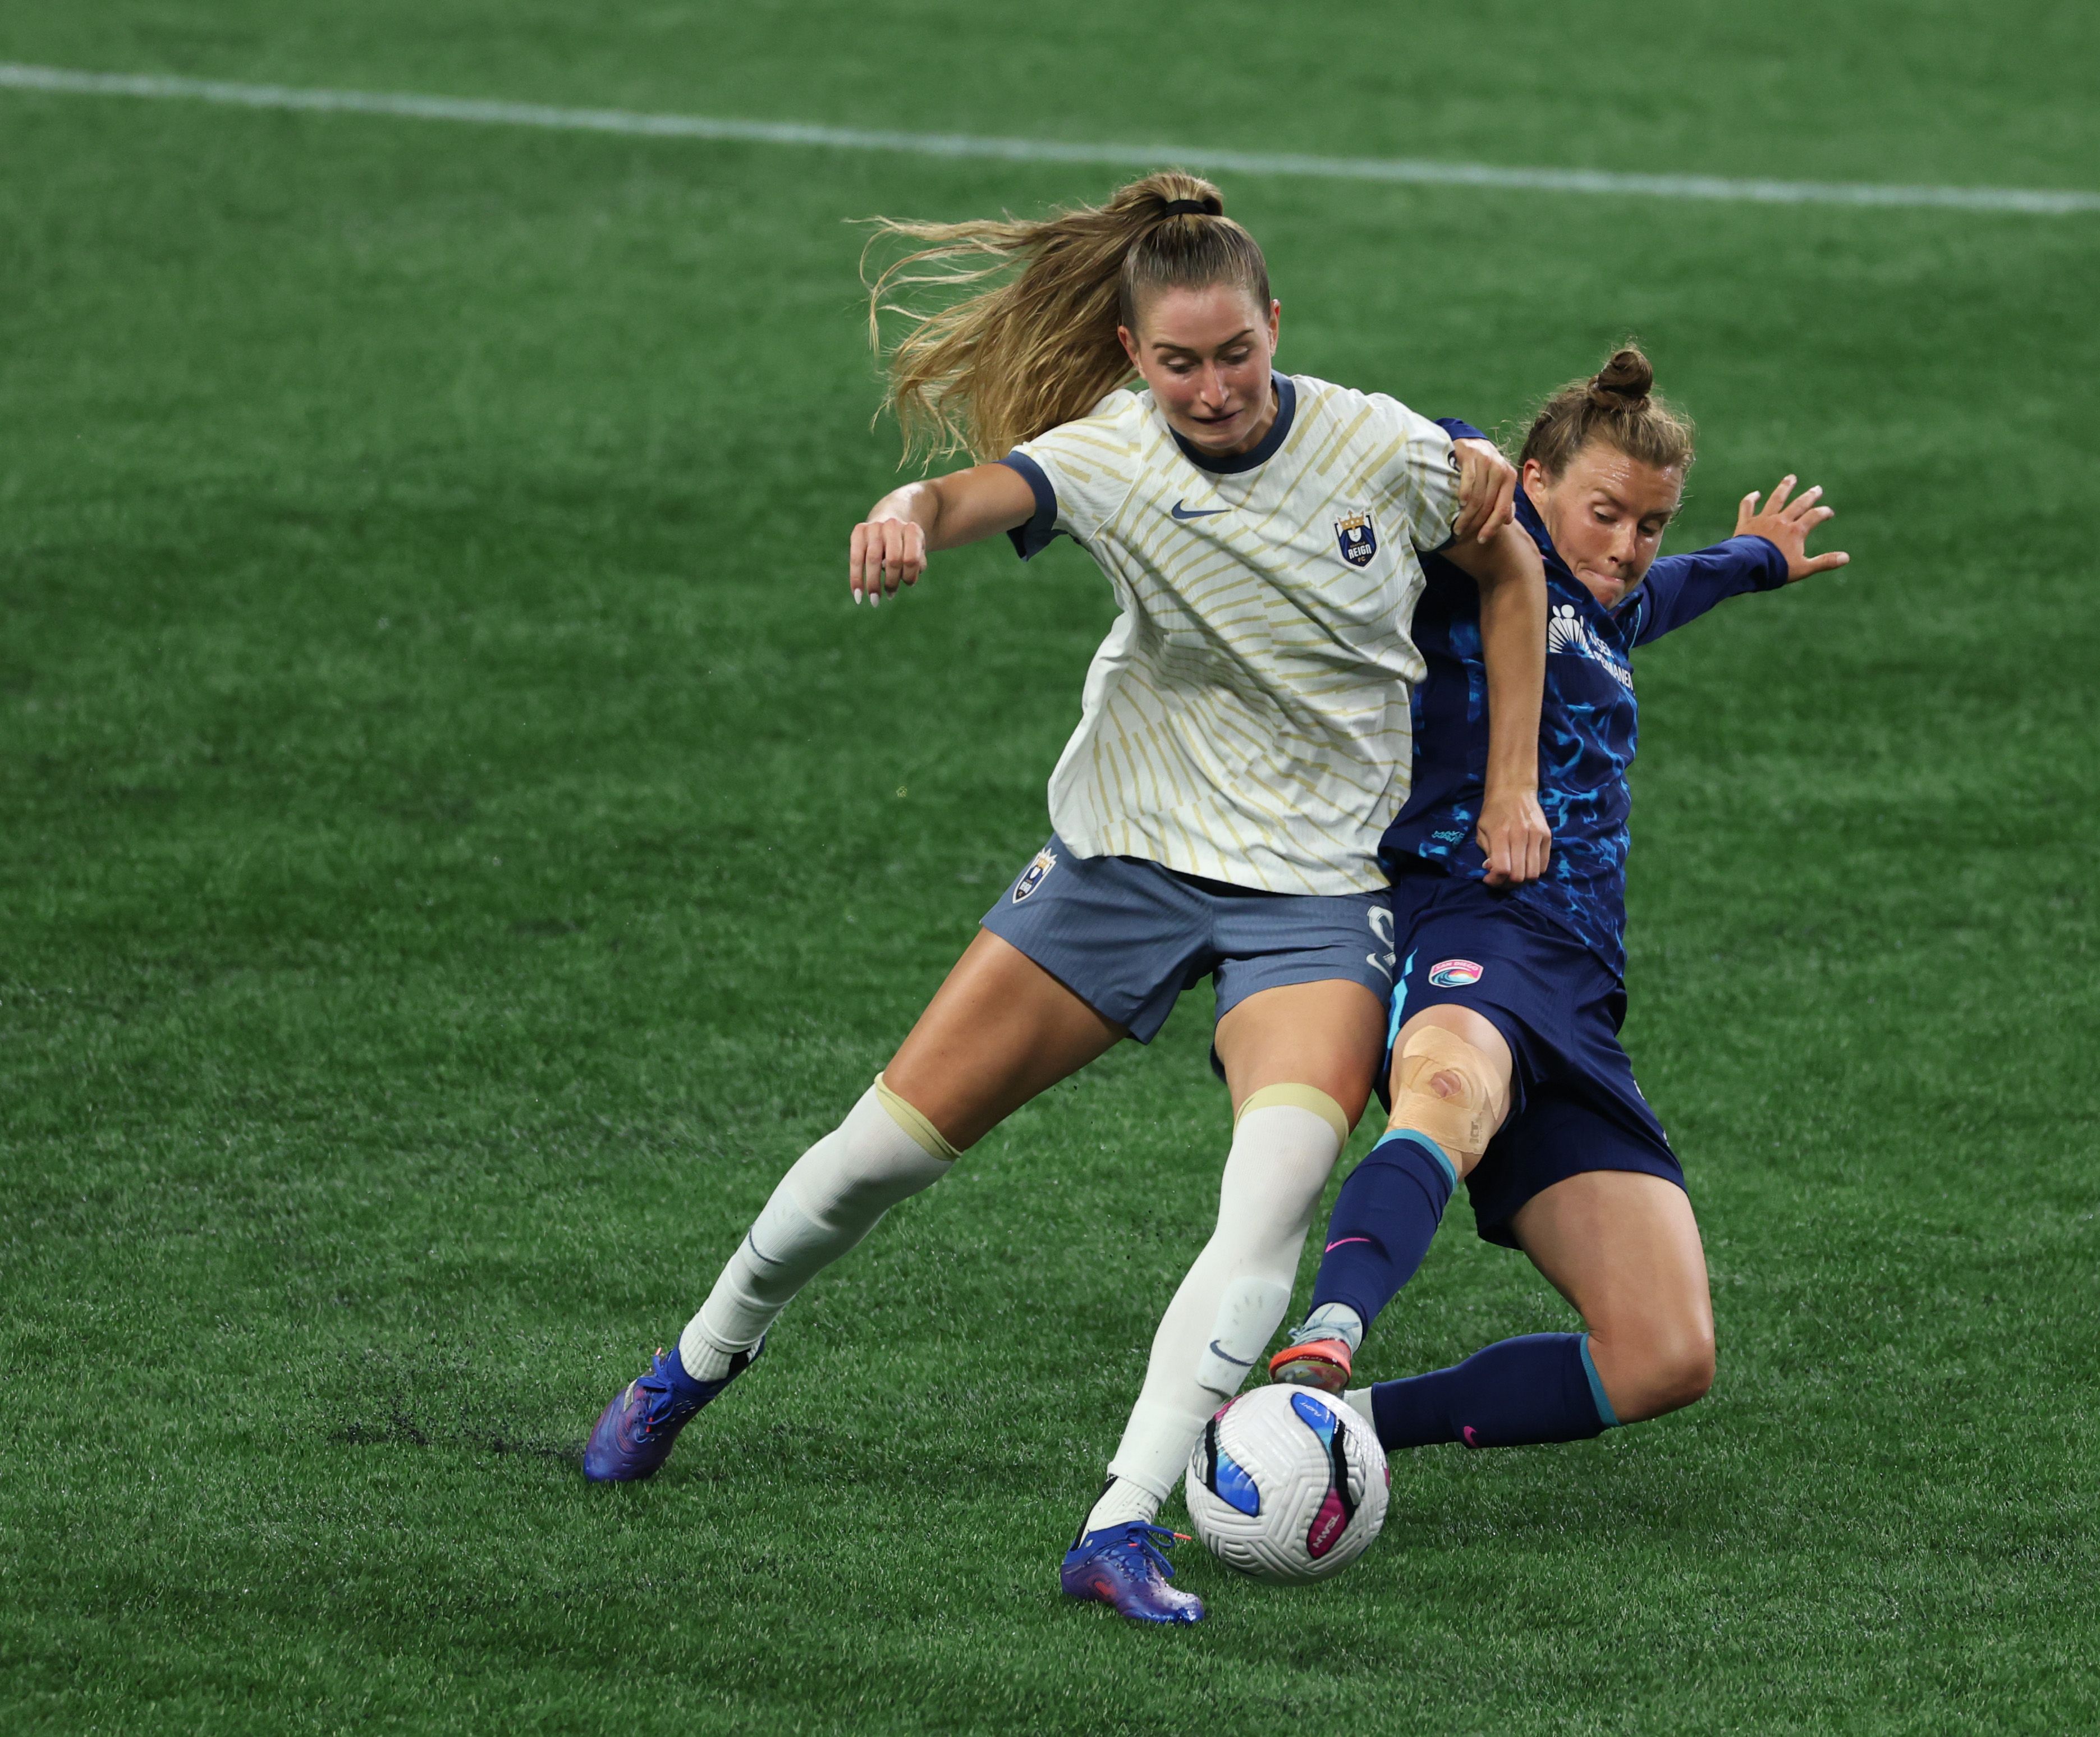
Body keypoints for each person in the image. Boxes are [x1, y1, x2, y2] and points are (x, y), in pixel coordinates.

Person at [578, 171, 1553, 1626]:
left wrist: (1509, 790)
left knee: (1273, 1197)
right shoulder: (1108, 455)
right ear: (1128, 353)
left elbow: (1510, 566)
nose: (1212, 389)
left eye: (1236, 354)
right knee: (870, 1161)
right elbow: (974, 495)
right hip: (1123, 861)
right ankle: (694, 1363)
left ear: (1275, 326)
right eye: (1179, 362)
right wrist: (905, 511)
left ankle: (1120, 1524)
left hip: (1312, 892)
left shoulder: (1381, 447)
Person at [1265, 347, 1846, 1466]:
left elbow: (1684, 581)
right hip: (1469, 919)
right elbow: (1392, 448)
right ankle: (1329, 1331)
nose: (1626, 547)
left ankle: (1339, 1430)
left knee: (1664, 1355)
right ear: (1533, 481)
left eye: (1650, 524)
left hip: (1580, 1001)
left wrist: (1757, 560)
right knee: (1444, 1085)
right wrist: (1459, 449)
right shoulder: (1485, 558)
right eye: (1604, 513)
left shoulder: (1612, 607)